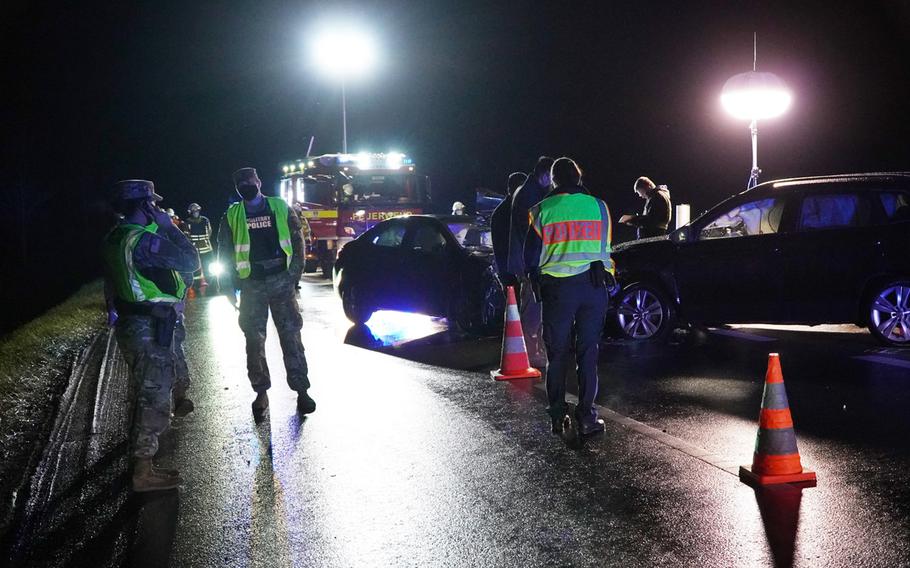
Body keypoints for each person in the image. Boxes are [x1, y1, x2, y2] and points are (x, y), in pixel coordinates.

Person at [102, 180, 199, 491]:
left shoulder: (116, 236)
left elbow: (113, 282)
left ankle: (143, 464)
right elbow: (191, 261)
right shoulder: (144, 241)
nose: (157, 208)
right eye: (153, 204)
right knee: (155, 397)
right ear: (145, 206)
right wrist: (169, 227)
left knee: (148, 392)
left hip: (132, 324)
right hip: (149, 326)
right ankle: (143, 473)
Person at [524, 158, 613, 437]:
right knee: (588, 353)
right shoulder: (600, 206)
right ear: (579, 177)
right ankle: (587, 417)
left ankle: (557, 415)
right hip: (593, 286)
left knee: (557, 354)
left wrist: (536, 280)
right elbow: (605, 247)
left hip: (557, 290)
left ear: (553, 181)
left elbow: (530, 257)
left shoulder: (541, 210)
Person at [216, 167, 314, 414]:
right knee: (254, 341)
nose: (246, 186)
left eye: (249, 181)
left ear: (259, 182)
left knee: (291, 336)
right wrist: (227, 286)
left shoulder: (280, 207)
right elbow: (225, 252)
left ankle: (302, 391)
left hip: (281, 280)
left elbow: (297, 242)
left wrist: (293, 276)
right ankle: (261, 393)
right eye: (241, 184)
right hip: (252, 284)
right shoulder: (232, 214)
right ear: (237, 188)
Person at [508, 156, 554, 369]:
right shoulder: (530, 194)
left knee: (533, 307)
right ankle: (530, 352)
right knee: (533, 308)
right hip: (530, 262)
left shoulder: (528, 191)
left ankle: (534, 350)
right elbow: (532, 233)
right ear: (544, 174)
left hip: (528, 260)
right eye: (550, 177)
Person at [491, 172, 527, 285]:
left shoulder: (524, 208)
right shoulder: (502, 213)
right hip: (512, 272)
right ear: (510, 189)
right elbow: (500, 246)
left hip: (521, 269)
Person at [183, 202, 213, 292]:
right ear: (190, 212)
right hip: (194, 250)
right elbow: (186, 236)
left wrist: (205, 242)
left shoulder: (205, 220)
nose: (195, 212)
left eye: (197, 210)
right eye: (193, 211)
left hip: (206, 249)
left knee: (209, 267)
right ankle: (196, 286)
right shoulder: (187, 222)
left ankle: (211, 284)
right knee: (196, 269)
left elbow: (209, 232)